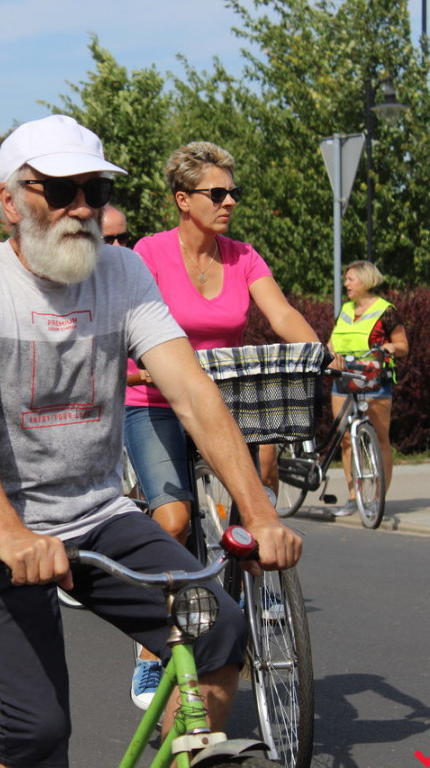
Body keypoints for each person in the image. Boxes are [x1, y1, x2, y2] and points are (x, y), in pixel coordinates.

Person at [0, 115, 302, 768]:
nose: (80, 208)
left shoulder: (124, 275)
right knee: (38, 729)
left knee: (219, 634)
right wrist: (9, 533)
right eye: (60, 189)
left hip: (96, 513)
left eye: (94, 191)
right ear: (9, 202)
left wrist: (261, 511)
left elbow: (191, 394)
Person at [123, 141, 320, 706]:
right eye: (218, 192)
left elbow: (280, 314)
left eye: (234, 191)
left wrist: (317, 352)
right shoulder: (148, 254)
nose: (230, 200)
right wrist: (140, 369)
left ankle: (255, 585)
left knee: (257, 485)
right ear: (183, 200)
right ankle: (151, 647)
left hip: (220, 406)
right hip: (154, 400)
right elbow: (128, 328)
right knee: (175, 520)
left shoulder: (244, 256)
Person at [327, 259, 408, 515]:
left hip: (374, 382)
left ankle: (377, 499)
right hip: (343, 380)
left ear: (366, 280)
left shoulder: (386, 311)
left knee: (381, 438)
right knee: (346, 441)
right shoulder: (346, 310)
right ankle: (354, 498)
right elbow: (332, 343)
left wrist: (391, 348)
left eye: (351, 279)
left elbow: (403, 345)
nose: (346, 284)